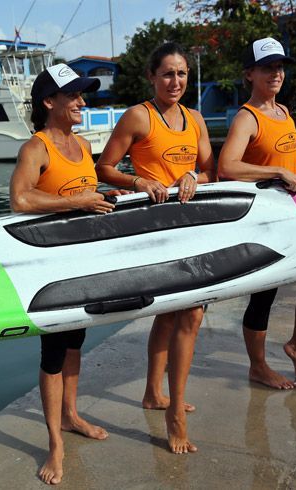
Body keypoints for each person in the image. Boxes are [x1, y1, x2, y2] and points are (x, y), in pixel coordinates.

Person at [96, 42, 215, 454]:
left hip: (194, 224)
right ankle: (175, 412)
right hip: (156, 227)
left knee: (179, 314)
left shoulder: (195, 118)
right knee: (186, 314)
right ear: (152, 77)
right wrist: (138, 181)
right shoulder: (138, 117)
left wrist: (193, 177)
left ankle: (154, 393)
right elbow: (105, 168)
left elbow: (208, 167)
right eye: (167, 73)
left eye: (181, 73)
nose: (176, 81)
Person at [10, 63, 125, 485]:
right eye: (74, 96)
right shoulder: (36, 148)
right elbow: (20, 200)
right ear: (49, 102)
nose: (82, 102)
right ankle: (55, 443)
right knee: (54, 351)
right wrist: (76, 202)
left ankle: (72, 415)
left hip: (84, 259)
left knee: (76, 340)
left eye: (83, 94)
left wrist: (102, 196)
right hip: (50, 264)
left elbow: (83, 193)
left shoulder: (80, 145)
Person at [217, 37, 296, 390]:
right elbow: (228, 166)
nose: (275, 73)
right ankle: (258, 366)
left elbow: (285, 163)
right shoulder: (248, 117)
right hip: (264, 217)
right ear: (249, 74)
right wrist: (277, 174)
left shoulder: (283, 112)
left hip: (295, 211)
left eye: (279, 67)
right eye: (267, 67)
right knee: (264, 292)